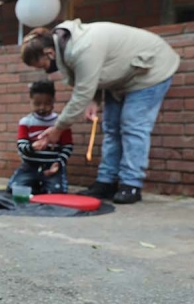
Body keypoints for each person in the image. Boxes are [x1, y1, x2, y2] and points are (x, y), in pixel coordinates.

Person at [20, 20, 179, 204]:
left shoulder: (82, 47)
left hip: (151, 69)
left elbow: (82, 92)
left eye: (42, 65)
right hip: (122, 76)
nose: (45, 71)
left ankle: (131, 184)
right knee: (110, 127)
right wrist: (94, 100)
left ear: (49, 52)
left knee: (133, 125)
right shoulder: (65, 45)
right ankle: (106, 182)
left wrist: (58, 129)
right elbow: (93, 73)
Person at [7, 80, 72, 195]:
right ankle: (35, 184)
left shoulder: (61, 123)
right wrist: (32, 147)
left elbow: (67, 146)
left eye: (47, 103)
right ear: (30, 102)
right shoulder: (26, 122)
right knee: (15, 189)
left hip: (51, 167)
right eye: (37, 104)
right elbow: (21, 145)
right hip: (30, 167)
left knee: (57, 193)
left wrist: (59, 163)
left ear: (53, 101)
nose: (42, 108)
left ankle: (42, 185)